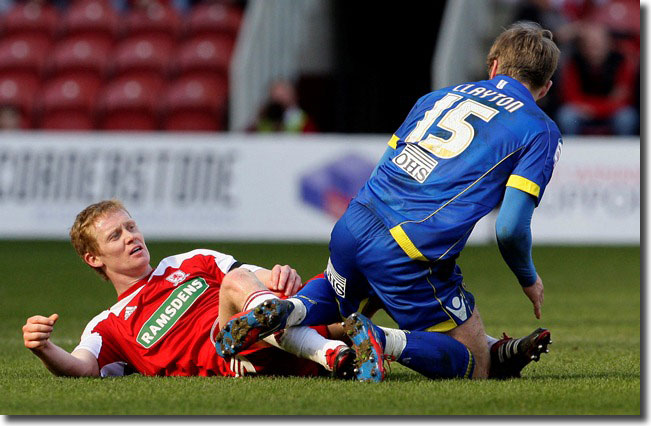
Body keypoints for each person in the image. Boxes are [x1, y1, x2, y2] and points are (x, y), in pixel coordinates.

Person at [215, 21, 560, 382]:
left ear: (493, 66)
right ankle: (381, 340)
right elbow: (509, 228)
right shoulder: (540, 129)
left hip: (356, 223)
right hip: (410, 248)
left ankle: (287, 310)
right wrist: (528, 278)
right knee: (475, 364)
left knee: (338, 296)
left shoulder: (438, 97)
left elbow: (383, 168)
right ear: (546, 87)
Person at [22, 199, 357, 378]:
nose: (131, 237)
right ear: (94, 258)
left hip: (271, 333)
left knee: (343, 276)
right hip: (231, 353)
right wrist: (45, 348)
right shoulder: (108, 325)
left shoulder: (192, 260)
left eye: (131, 226)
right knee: (236, 285)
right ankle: (327, 338)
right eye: (116, 236)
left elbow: (268, 278)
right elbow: (83, 367)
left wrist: (281, 274)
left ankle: (340, 345)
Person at [556, 22, 638, 135]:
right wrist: (593, 107)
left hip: (611, 112)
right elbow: (570, 96)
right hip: (582, 112)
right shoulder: (572, 62)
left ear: (609, 43)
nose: (593, 46)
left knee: (627, 117)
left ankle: (625, 153)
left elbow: (623, 98)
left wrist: (594, 109)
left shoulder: (622, 62)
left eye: (598, 42)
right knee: (566, 116)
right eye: (589, 42)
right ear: (581, 45)